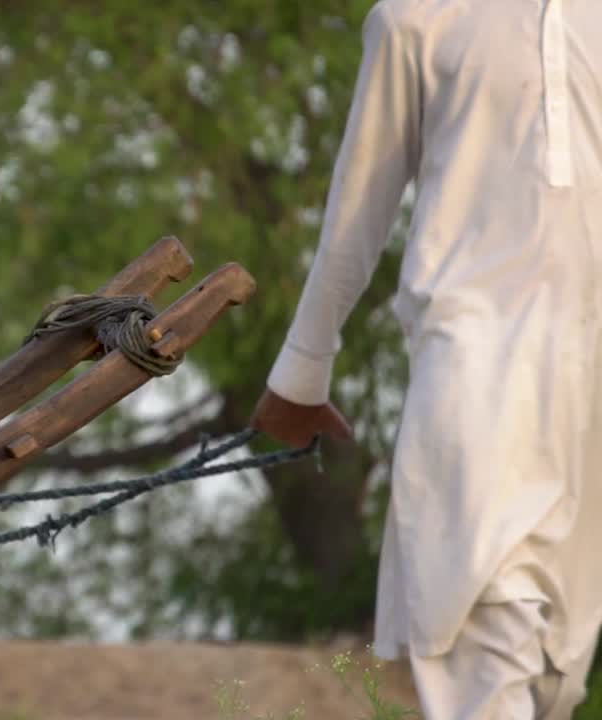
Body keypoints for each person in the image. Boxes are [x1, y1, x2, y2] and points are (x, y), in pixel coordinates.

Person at [250, 1, 602, 717]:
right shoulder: (413, 19)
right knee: (486, 627)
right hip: (469, 358)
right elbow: (358, 206)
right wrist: (303, 368)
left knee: (555, 671)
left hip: (587, 373)